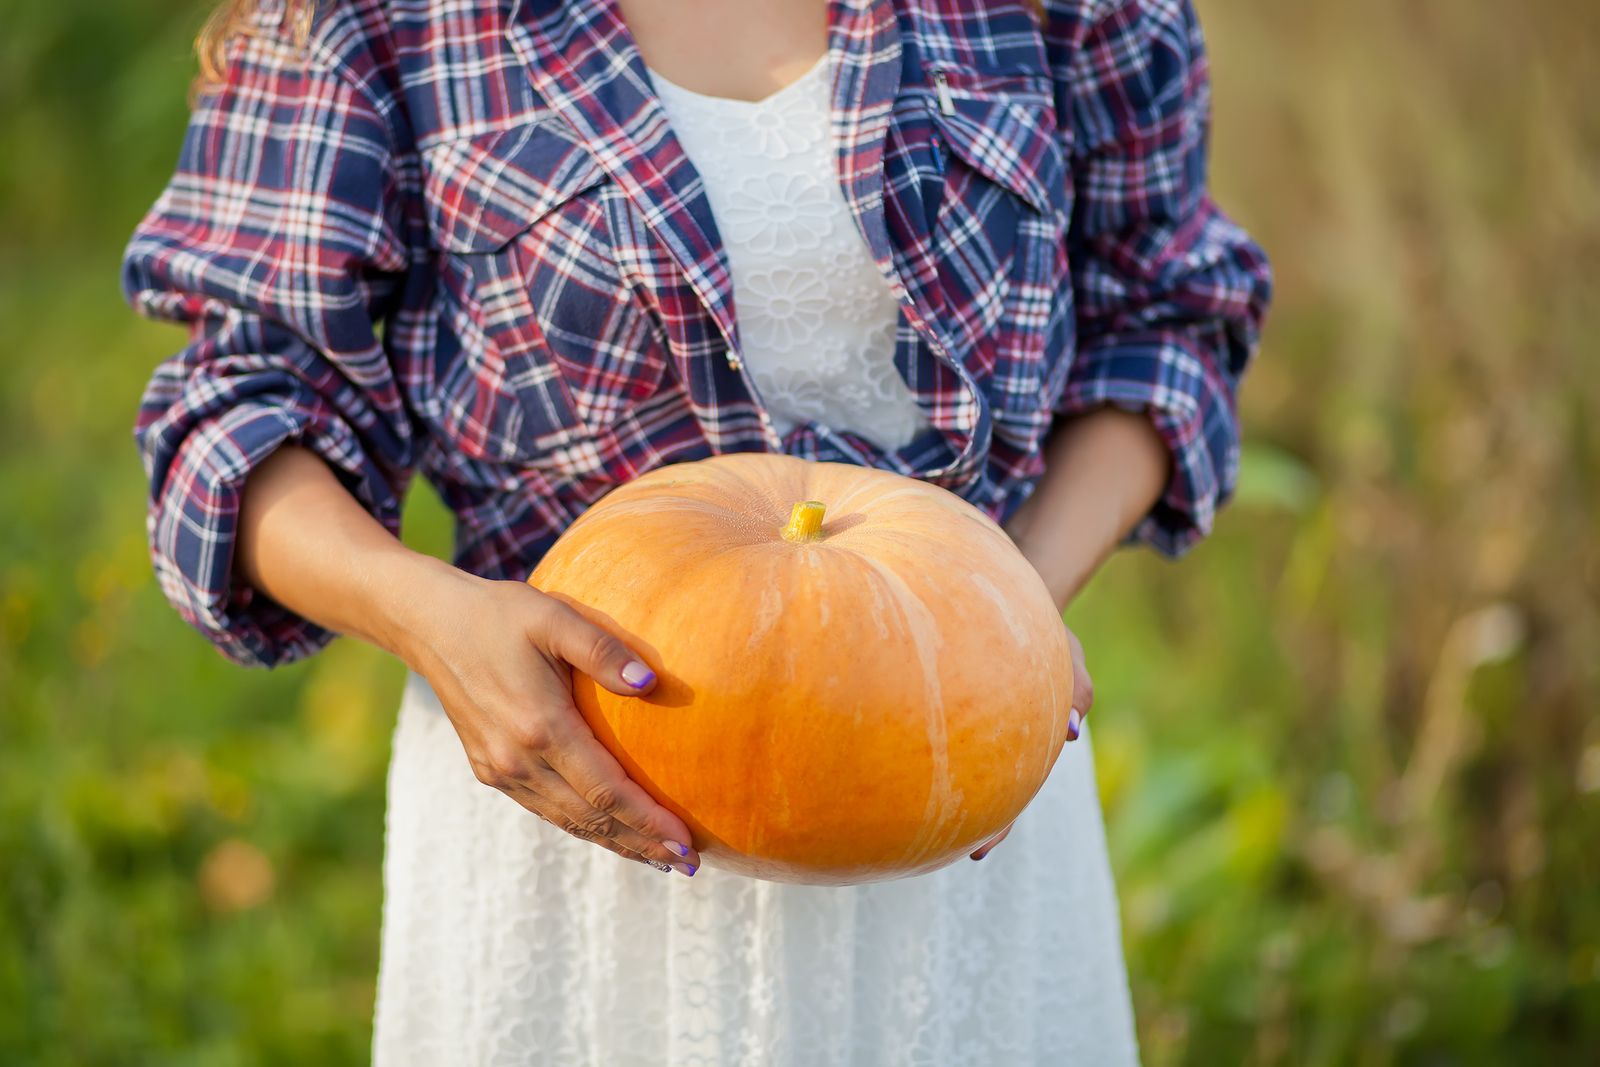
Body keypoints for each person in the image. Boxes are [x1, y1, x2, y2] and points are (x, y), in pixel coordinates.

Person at [125, 0, 1270, 1062]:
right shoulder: (383, 20)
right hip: (569, 799)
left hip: (956, 780)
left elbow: (1162, 321)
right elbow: (240, 407)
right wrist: (437, 621)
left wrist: (1002, 608)